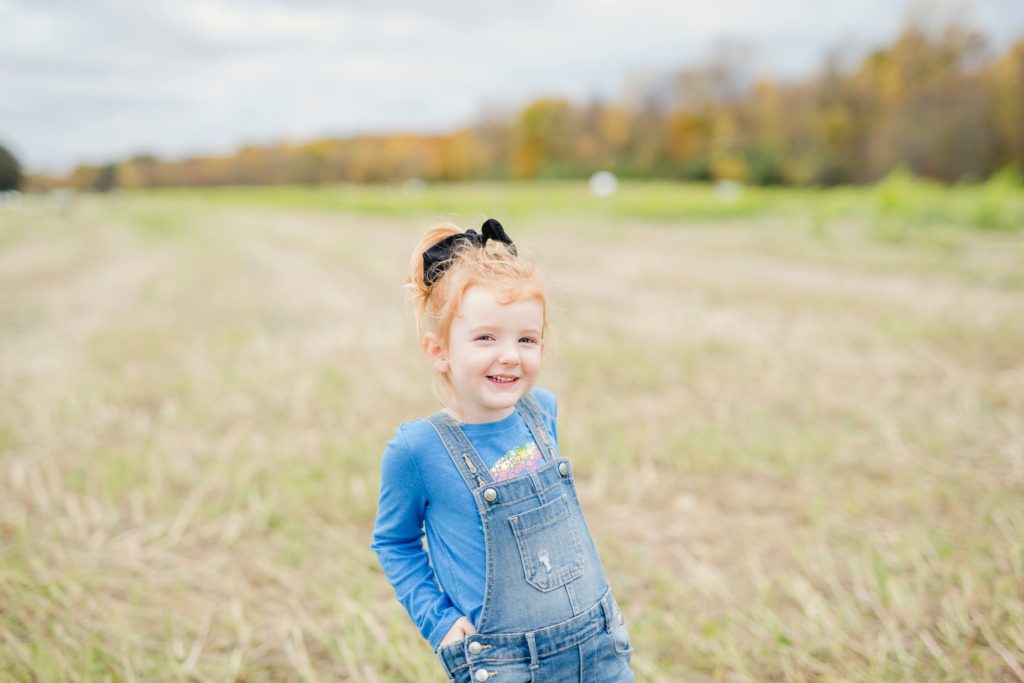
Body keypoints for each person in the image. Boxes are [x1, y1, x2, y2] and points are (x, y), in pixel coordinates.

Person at [371, 218, 635, 682]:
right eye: (486, 338)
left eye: (526, 339)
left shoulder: (541, 411)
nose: (510, 355)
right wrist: (439, 622)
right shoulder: (418, 450)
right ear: (439, 351)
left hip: (598, 643)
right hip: (506, 663)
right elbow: (395, 542)